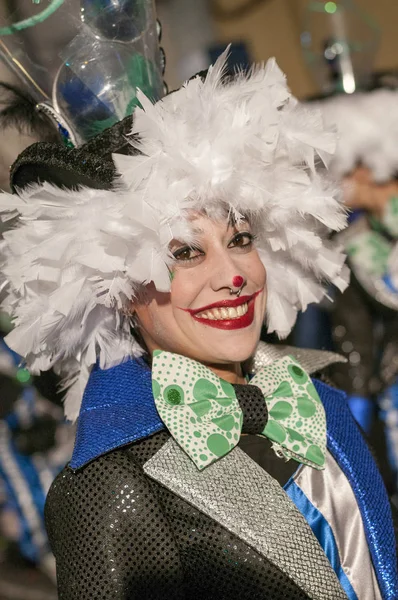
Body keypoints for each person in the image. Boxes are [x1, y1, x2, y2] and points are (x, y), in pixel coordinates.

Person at [0, 51, 396, 600]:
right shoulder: (109, 486)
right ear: (118, 291)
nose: (233, 275)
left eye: (239, 240)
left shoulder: (319, 398)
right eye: (185, 253)